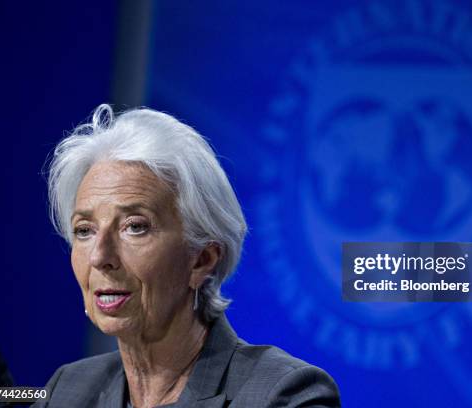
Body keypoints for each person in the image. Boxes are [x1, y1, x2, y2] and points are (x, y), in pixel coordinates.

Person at [33, 105, 340, 408]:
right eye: (84, 230)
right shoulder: (67, 389)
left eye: (135, 227)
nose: (100, 256)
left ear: (202, 260)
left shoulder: (283, 394)